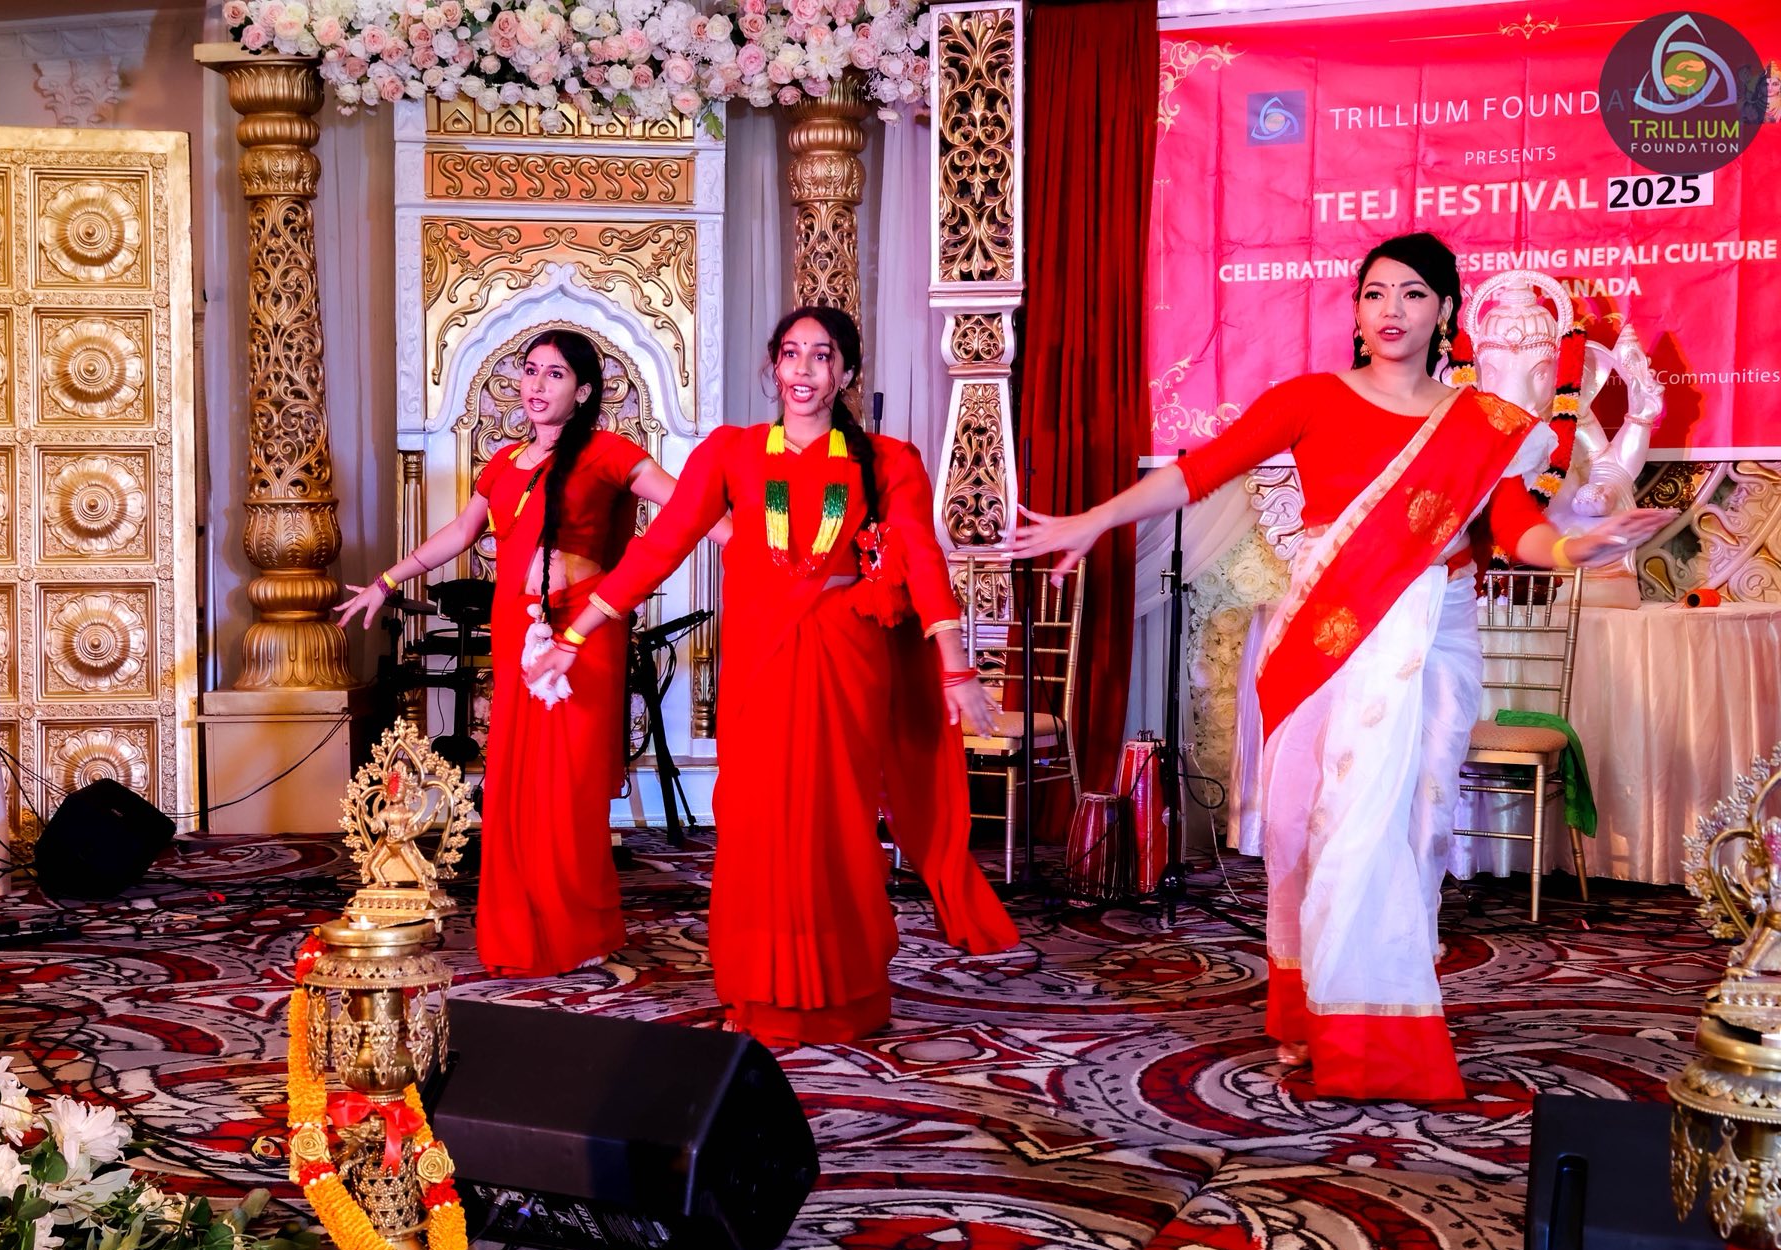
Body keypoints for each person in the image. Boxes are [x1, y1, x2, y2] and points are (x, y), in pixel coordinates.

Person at [1011, 233, 1673, 1100]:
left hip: (1431, 638)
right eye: (1374, 293)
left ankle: (1372, 1019)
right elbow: (1198, 474)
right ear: (1356, 310)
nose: (1390, 310)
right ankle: (1315, 1008)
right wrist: (1095, 518)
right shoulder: (1311, 399)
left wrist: (1575, 547)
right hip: (1327, 633)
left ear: (1445, 310)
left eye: (1411, 294)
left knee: (1406, 830)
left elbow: (1515, 527)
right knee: (1308, 828)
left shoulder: (1482, 425)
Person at [529, 306, 1019, 1047]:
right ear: (773, 366)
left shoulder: (888, 460)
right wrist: (577, 632)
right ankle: (758, 988)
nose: (803, 370)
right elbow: (661, 547)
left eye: (821, 356)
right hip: (760, 657)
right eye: (791, 354)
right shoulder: (731, 452)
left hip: (845, 658)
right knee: (756, 820)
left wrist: (957, 669)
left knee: (838, 821)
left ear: (845, 372)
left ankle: (846, 992)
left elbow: (922, 559)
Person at [336, 328, 721, 979]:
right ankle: (524, 930)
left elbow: (690, 505)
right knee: (518, 786)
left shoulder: (607, 452)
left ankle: (578, 929)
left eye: (555, 374)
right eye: (531, 370)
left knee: (568, 786)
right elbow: (461, 533)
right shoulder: (504, 462)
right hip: (519, 631)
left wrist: (757, 549)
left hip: (584, 632)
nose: (537, 385)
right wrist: (387, 580)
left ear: (584, 391)